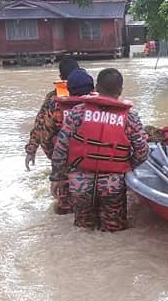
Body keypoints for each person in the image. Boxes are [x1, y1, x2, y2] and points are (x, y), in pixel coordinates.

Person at [50, 68, 149, 231]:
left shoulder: (77, 112)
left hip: (80, 184)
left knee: (83, 231)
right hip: (113, 184)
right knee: (113, 231)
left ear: (96, 87)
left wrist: (57, 177)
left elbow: (61, 148)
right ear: (120, 90)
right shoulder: (130, 117)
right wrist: (126, 165)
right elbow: (143, 151)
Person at [45, 68, 96, 214]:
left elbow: (47, 138)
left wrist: (56, 174)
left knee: (68, 215)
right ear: (93, 88)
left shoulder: (55, 107)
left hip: (68, 172)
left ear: (68, 89)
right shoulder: (105, 107)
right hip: (103, 175)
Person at [25, 58, 79, 170]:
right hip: (85, 155)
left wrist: (31, 150)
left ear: (60, 77)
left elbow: (40, 124)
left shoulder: (52, 99)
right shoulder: (92, 96)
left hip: (59, 156)